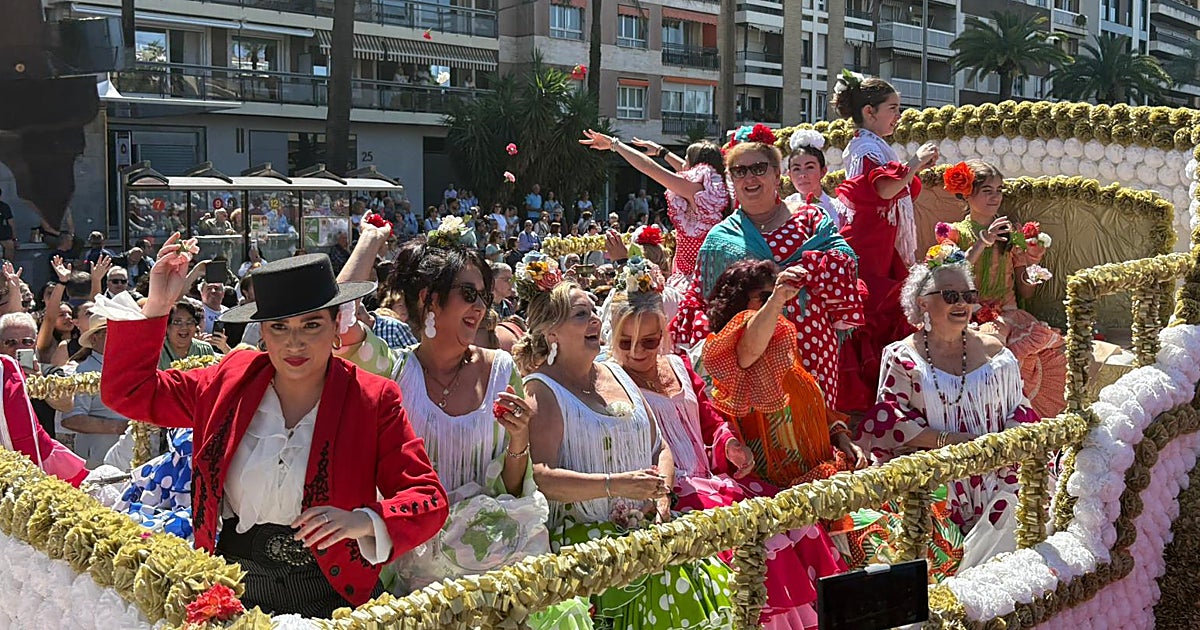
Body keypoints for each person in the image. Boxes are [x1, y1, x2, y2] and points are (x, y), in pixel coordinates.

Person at [97, 238, 448, 616]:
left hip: (334, 593)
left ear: (336, 328)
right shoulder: (229, 382)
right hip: (235, 586)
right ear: (262, 334)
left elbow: (428, 498)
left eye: (311, 324)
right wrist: (157, 306)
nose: (294, 342)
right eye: (279, 327)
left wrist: (362, 521)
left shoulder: (374, 398)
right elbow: (129, 392)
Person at [607, 260, 847, 629]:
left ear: (664, 335)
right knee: (756, 538)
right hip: (671, 490)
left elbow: (708, 416)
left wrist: (730, 442)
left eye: (649, 341)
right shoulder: (612, 380)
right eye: (626, 342)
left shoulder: (679, 365)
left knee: (796, 520)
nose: (637, 351)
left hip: (713, 479)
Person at [515, 263, 735, 629]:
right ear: (552, 333)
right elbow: (541, 477)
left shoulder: (616, 371)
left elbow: (660, 445)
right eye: (581, 315)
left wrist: (662, 497)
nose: (594, 321)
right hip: (591, 541)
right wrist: (615, 484)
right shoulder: (541, 390)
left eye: (593, 312)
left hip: (651, 524)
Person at [854, 244, 1040, 579]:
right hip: (934, 474)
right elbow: (894, 421)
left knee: (1016, 513)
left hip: (996, 468)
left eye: (968, 296)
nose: (963, 305)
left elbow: (1020, 409)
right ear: (923, 302)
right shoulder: (902, 357)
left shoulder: (996, 352)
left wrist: (997, 448)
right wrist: (954, 442)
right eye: (950, 295)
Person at [673, 126, 865, 407]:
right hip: (751, 356)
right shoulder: (719, 239)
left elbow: (846, 265)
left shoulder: (811, 219)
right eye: (739, 171)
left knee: (813, 431)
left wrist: (803, 271)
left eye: (759, 168)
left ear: (777, 175)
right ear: (731, 180)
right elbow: (703, 302)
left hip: (811, 346)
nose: (749, 177)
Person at [701, 260, 867, 489]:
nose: (779, 305)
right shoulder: (727, 354)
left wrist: (842, 438)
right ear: (738, 303)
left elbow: (811, 405)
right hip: (779, 495)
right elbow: (749, 350)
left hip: (820, 477)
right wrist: (777, 297)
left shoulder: (783, 351)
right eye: (766, 297)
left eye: (780, 299)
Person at [833, 71, 940, 414]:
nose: (899, 115)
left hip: (880, 242)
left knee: (887, 314)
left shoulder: (874, 145)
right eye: (893, 108)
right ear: (869, 112)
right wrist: (916, 162)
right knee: (875, 313)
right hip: (869, 243)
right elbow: (884, 189)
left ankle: (888, 399)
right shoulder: (866, 146)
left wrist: (912, 169)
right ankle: (871, 403)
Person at [936, 160, 1066, 419]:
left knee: (995, 353)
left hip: (1006, 316)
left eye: (999, 190)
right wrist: (982, 242)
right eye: (987, 191)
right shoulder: (953, 233)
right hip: (964, 316)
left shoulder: (1012, 233)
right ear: (967, 193)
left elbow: (1025, 292)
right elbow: (950, 273)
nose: (995, 197)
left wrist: (1033, 266)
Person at [581, 132, 729, 286]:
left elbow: (648, 167)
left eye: (686, 159)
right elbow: (683, 169)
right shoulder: (714, 190)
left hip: (691, 283)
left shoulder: (695, 191)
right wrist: (661, 151)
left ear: (697, 167)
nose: (682, 165)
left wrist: (615, 144)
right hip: (704, 276)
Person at [0, 312, 87, 486]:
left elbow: (66, 404)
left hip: (42, 460)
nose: (18, 348)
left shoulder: (50, 373)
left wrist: (40, 381)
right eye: (11, 342)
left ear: (35, 344)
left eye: (27, 342)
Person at [61, 316, 130, 467]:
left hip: (129, 456)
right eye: (109, 332)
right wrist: (120, 427)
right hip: (99, 460)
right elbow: (72, 419)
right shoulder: (85, 371)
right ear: (94, 339)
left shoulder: (130, 366)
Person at [784, 130, 852, 229]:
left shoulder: (837, 209)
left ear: (823, 171)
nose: (802, 175)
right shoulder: (784, 207)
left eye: (810, 167)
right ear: (789, 174)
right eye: (796, 169)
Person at [0, 188, 16, 262]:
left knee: (10, 245)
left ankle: (8, 266)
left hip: (2, 233)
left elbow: (11, 223)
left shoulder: (4, 207)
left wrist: (14, 238)